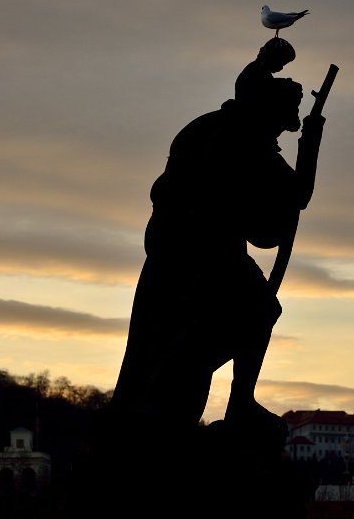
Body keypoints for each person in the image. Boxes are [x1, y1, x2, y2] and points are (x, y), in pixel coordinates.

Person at [109, 62, 325, 431]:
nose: (287, 125)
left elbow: (290, 200)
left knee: (256, 311)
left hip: (206, 247)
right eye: (288, 113)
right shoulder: (238, 139)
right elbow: (287, 205)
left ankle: (231, 398)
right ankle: (194, 388)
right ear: (269, 110)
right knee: (249, 311)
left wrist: (311, 137)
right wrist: (311, 136)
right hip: (195, 248)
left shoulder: (246, 139)